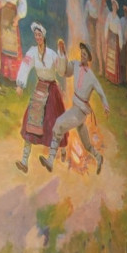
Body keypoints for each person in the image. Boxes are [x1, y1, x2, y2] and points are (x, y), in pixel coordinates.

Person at [39, 42, 109, 174]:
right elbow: (65, 71)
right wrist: (63, 54)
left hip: (80, 112)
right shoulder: (76, 65)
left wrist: (106, 106)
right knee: (86, 144)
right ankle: (99, 158)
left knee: (59, 123)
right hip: (76, 108)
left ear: (88, 58)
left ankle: (50, 161)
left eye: (85, 55)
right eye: (82, 53)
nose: (82, 56)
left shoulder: (91, 76)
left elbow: (100, 91)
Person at [14, 22, 69, 173]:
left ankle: (54, 156)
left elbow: (61, 71)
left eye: (39, 35)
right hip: (40, 89)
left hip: (52, 91)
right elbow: (25, 66)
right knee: (30, 121)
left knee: (54, 122)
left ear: (44, 36)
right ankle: (24, 161)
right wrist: (20, 84)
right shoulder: (32, 52)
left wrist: (62, 55)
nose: (37, 37)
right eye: (36, 35)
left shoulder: (51, 54)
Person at [0, 0, 27, 81]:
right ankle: (0, 73)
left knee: (12, 45)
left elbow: (22, 2)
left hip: (12, 16)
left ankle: (13, 75)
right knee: (0, 43)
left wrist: (17, 17)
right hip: (0, 15)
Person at [103, 0, 122, 84]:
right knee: (109, 56)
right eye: (113, 5)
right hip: (110, 37)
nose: (114, 7)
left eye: (115, 6)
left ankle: (114, 79)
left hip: (115, 39)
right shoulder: (109, 15)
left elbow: (120, 33)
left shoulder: (118, 19)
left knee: (114, 58)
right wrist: (106, 36)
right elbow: (106, 26)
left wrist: (120, 44)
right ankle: (108, 77)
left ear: (117, 8)